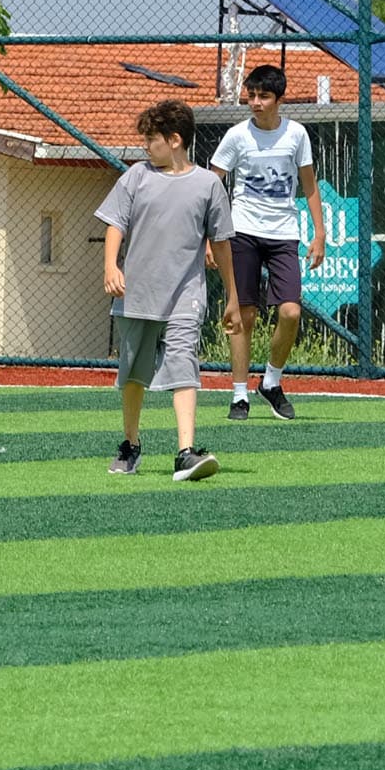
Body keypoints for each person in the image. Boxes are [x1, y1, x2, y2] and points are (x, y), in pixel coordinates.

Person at [100, 98, 236, 485]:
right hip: (138, 293)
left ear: (175, 140)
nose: (146, 145)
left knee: (183, 365)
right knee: (133, 374)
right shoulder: (136, 177)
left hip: (186, 295)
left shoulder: (208, 184)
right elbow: (115, 223)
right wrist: (111, 265)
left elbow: (222, 243)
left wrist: (232, 296)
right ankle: (130, 444)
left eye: (152, 138)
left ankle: (186, 452)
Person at [211, 64, 321, 422]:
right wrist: (209, 239)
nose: (255, 103)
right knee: (245, 314)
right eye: (251, 95)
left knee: (290, 311)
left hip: (284, 233)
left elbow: (309, 185)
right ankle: (239, 395)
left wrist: (319, 234)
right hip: (242, 230)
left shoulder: (297, 134)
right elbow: (212, 187)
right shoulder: (236, 136)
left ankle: (271, 383)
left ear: (279, 99)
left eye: (263, 96)